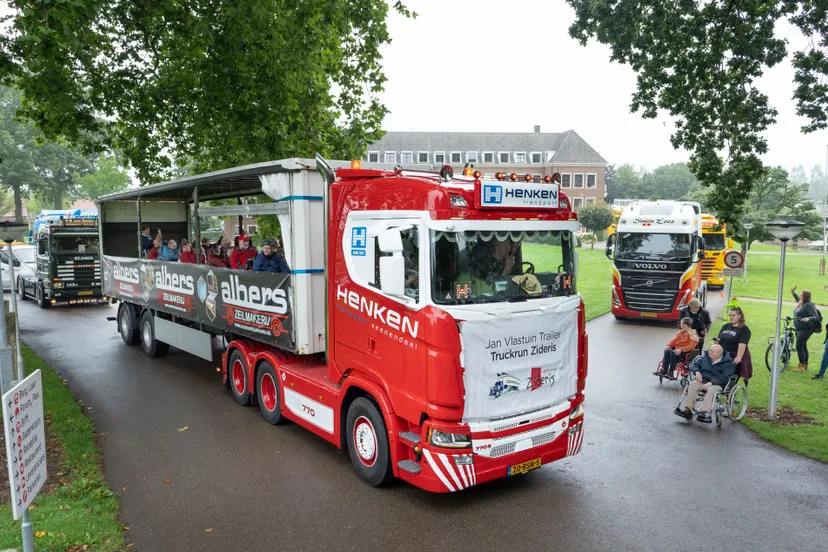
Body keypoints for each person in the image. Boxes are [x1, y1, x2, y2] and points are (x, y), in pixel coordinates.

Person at [674, 344, 735, 423]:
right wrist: (697, 372)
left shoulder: (728, 363)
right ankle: (688, 410)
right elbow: (694, 365)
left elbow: (724, 378)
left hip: (718, 384)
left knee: (711, 390)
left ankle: (704, 412)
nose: (709, 352)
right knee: (692, 384)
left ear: (718, 354)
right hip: (704, 380)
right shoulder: (706, 357)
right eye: (710, 350)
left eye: (711, 351)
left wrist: (710, 383)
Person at [791, 286, 819, 371]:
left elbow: (816, 316)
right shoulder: (802, 303)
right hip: (799, 328)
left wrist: (808, 319)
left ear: (804, 297)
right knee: (803, 346)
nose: (799, 296)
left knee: (799, 346)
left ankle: (801, 365)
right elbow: (797, 299)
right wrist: (793, 293)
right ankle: (805, 364)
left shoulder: (809, 305)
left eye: (801, 295)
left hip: (806, 329)